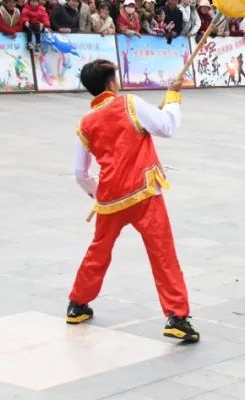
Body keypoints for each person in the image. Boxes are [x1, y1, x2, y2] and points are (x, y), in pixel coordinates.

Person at [69, 60, 198, 343]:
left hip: (110, 198)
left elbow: (80, 172)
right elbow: (167, 127)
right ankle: (177, 317)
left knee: (98, 251)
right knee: (162, 253)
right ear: (111, 83)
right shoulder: (129, 104)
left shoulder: (85, 123)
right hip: (144, 192)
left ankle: (77, 304)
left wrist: (96, 191)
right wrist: (174, 97)